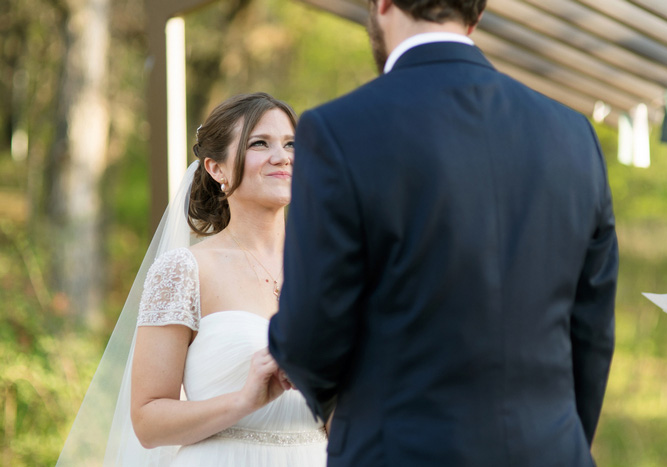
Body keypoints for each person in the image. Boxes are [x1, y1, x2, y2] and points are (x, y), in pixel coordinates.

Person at [268, 0, 618, 465]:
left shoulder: (337, 131)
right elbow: (592, 333)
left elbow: (309, 335)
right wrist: (558, 436)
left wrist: (353, 414)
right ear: (474, 14)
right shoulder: (574, 134)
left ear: (382, 4)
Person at [57, 92, 327, 466]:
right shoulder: (184, 271)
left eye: (291, 143)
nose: (283, 156)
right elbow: (148, 423)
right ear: (216, 168)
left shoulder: (330, 271)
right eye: (259, 143)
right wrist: (244, 400)